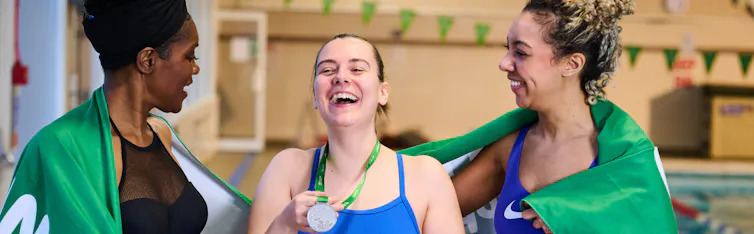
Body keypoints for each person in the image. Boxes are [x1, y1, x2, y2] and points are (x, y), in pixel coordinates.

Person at [399, 0, 678, 233]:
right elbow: (423, 214)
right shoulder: (509, 148)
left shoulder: (624, 166)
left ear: (572, 64)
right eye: (507, 49)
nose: (504, 63)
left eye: (520, 52)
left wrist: (572, 218)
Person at [0, 0, 251, 233]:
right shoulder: (59, 148)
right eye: (189, 56)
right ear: (148, 60)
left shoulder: (160, 134)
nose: (195, 69)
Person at [247, 33, 464, 234]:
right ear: (315, 96)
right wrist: (284, 223)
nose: (341, 77)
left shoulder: (426, 177)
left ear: (383, 92)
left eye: (357, 69)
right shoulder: (286, 169)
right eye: (327, 70)